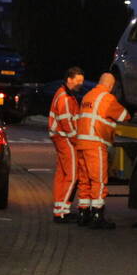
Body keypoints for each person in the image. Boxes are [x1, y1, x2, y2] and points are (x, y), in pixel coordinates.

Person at [74, 72, 130, 230]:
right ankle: (97, 215)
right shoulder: (107, 98)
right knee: (98, 180)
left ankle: (83, 213)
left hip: (82, 143)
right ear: (111, 86)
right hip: (95, 143)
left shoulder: (87, 96)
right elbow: (124, 116)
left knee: (84, 180)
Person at [49, 66, 85, 223]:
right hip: (65, 138)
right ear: (69, 79)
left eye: (81, 82)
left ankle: (59, 210)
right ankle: (63, 211)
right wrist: (75, 139)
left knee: (62, 175)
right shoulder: (65, 97)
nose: (80, 85)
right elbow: (66, 121)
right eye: (78, 81)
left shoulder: (65, 94)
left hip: (60, 137)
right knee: (72, 175)